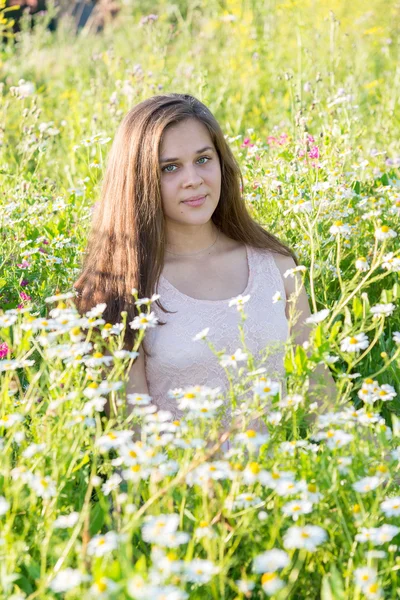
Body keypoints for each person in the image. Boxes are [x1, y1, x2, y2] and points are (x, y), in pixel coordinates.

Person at [73, 93, 337, 445]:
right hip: (181, 494)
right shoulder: (123, 289)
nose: (193, 179)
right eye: (170, 167)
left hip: (284, 486)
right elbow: (130, 438)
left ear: (221, 163)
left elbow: (320, 394)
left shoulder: (275, 265)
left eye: (203, 159)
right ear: (137, 181)